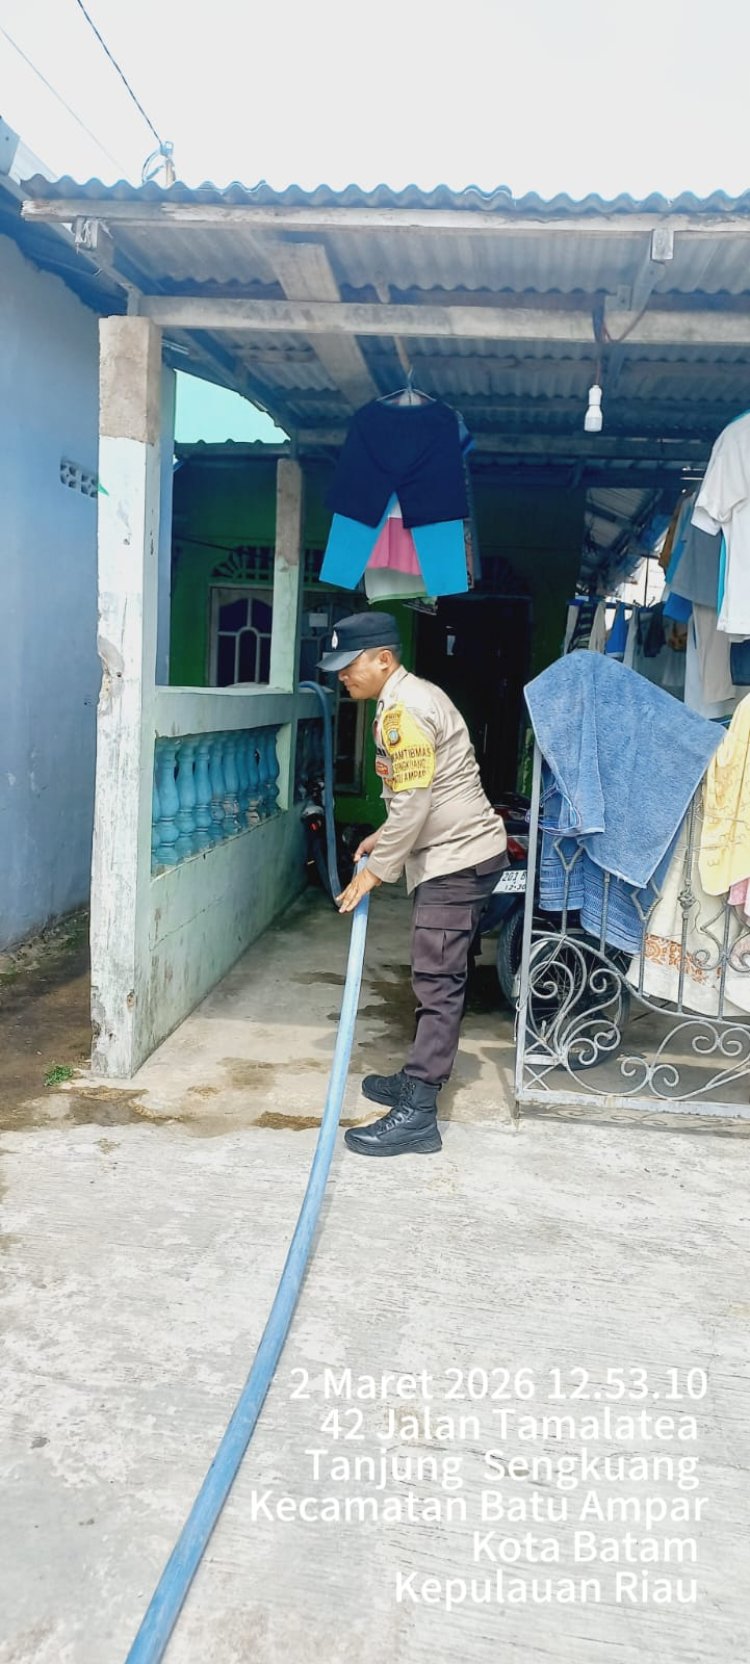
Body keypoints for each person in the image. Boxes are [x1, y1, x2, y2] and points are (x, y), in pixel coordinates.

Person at [318, 612, 507, 1158]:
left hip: (456, 860)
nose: (341, 678)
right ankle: (417, 1078)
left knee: (436, 980)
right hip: (454, 852)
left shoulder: (405, 709)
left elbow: (419, 801)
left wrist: (376, 872)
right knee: (440, 975)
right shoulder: (403, 700)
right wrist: (385, 834)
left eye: (348, 666)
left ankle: (419, 1113)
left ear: (384, 658)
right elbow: (415, 793)